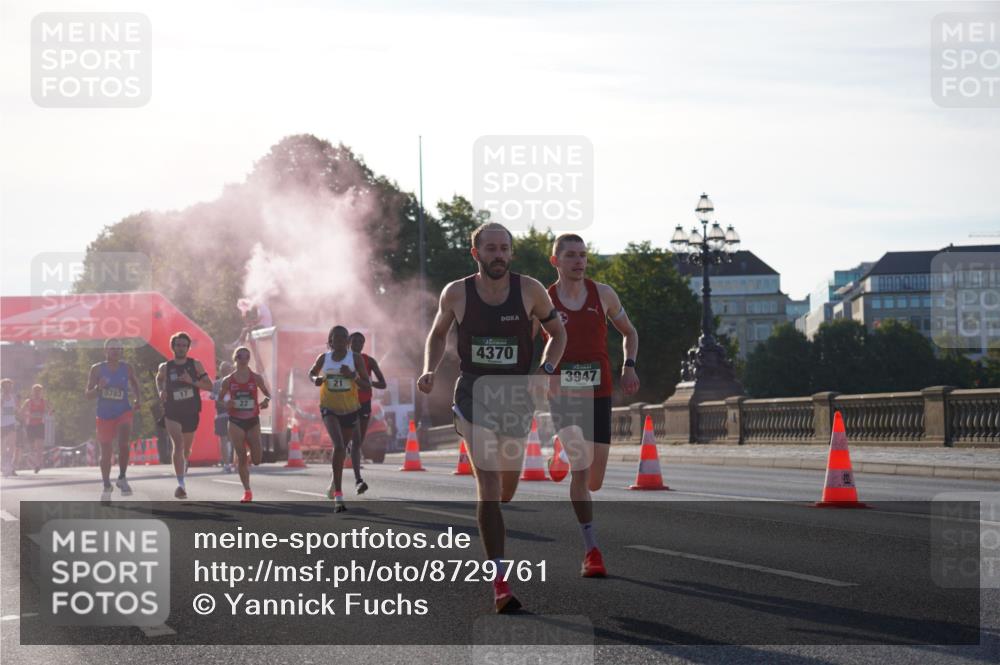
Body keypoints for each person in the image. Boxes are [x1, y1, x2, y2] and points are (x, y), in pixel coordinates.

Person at [418, 222, 566, 613]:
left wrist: (546, 370)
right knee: (487, 483)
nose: (498, 255)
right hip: (473, 397)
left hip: (515, 398)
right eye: (491, 248)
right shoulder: (457, 293)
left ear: (510, 254)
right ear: (476, 253)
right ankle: (500, 583)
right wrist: (430, 368)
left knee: (506, 490)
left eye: (504, 248)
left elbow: (558, 334)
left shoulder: (530, 290)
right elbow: (436, 335)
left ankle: (495, 524)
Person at [540, 233, 640, 578]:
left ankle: (560, 450)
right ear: (555, 261)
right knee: (581, 470)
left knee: (595, 481)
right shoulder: (544, 298)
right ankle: (591, 550)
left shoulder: (604, 294)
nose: (579, 261)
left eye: (582, 255)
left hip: (599, 391)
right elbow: (526, 340)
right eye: (570, 255)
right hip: (562, 392)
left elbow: (630, 332)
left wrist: (629, 366)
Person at [308, 325, 372, 512]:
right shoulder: (324, 358)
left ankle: (332, 485)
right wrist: (315, 380)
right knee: (338, 446)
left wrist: (352, 376)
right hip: (329, 408)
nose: (340, 341)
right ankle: (339, 497)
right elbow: (311, 373)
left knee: (342, 450)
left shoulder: (355, 358)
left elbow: (367, 385)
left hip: (350, 409)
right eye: (336, 338)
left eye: (344, 338)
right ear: (330, 341)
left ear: (348, 341)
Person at [156, 332, 213, 499]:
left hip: (191, 410)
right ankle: (181, 484)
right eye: (178, 345)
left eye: (184, 345)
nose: (180, 348)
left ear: (188, 348)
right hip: (172, 411)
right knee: (178, 444)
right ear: (173, 347)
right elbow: (159, 380)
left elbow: (209, 386)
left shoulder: (195, 365)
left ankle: (184, 464)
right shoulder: (165, 367)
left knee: (186, 450)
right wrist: (161, 391)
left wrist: (191, 381)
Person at [85, 339, 142, 495]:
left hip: (123, 411)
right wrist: (98, 388)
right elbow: (88, 395)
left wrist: (138, 399)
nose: (115, 351)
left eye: (118, 348)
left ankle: (122, 477)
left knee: (124, 443)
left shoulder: (127, 368)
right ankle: (106, 484)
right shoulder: (96, 369)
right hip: (104, 414)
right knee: (106, 451)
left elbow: (135, 383)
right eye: (112, 349)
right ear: (106, 351)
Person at [219, 347, 271, 503]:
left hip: (252, 420)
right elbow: (220, 399)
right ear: (235, 358)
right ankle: (247, 491)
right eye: (241, 356)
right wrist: (228, 402)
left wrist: (266, 401)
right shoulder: (228, 380)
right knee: (241, 458)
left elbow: (268, 394)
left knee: (256, 460)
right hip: (235, 420)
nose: (244, 359)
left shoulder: (256, 378)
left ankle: (248, 450)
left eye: (247, 356)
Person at [349, 332, 387, 473]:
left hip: (364, 402)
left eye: (361, 342)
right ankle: (352, 459)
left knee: (360, 438)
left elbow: (383, 384)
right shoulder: (343, 360)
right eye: (355, 341)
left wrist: (370, 383)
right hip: (347, 402)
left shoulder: (369, 361)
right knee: (352, 434)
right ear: (349, 343)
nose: (358, 344)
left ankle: (354, 455)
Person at [19, 384, 52, 473]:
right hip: (31, 425)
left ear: (41, 392)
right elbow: (21, 412)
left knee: (40, 446)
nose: (37, 393)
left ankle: (38, 464)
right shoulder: (28, 401)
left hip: (40, 425)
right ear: (32, 392)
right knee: (32, 447)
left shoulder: (44, 401)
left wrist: (47, 413)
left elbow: (51, 410)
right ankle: (35, 462)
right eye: (35, 391)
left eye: (39, 391)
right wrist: (29, 415)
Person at [212, 361, 235, 474]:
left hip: (222, 415)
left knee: (224, 440)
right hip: (234, 415)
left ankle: (227, 464)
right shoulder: (237, 382)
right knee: (235, 440)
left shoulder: (216, 384)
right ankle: (234, 463)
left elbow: (214, 398)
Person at [1, 379, 19, 477]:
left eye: (10, 386)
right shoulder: (1, 397)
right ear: (3, 387)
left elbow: (15, 409)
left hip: (11, 423)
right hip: (2, 424)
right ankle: (4, 465)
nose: (8, 388)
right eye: (6, 386)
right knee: (3, 446)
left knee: (12, 445)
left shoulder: (13, 397)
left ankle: (10, 466)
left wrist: (21, 416)